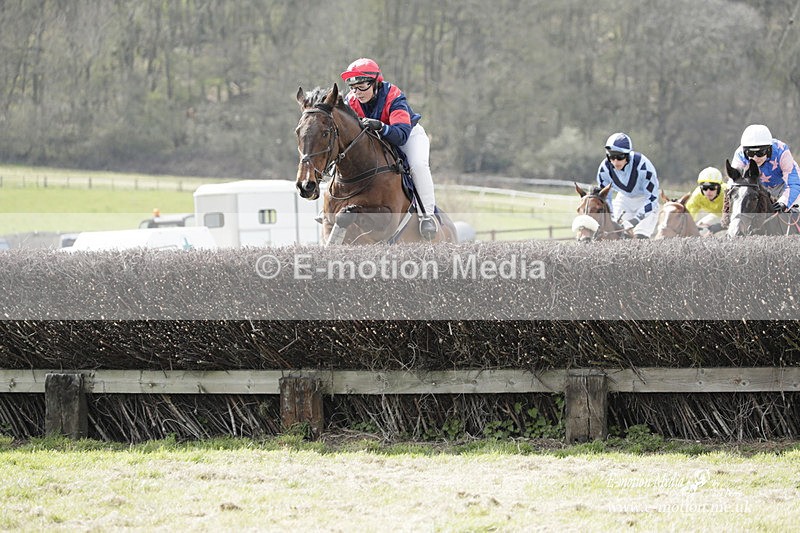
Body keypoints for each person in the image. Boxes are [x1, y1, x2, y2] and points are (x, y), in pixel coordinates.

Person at [340, 58, 438, 240]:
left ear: (375, 83)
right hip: (378, 139)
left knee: (417, 165)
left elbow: (400, 135)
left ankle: (427, 216)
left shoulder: (393, 95)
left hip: (408, 136)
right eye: (353, 87)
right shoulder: (351, 101)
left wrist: (380, 126)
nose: (357, 93)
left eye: (362, 86)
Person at [595, 132, 660, 239]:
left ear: (627, 155)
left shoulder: (644, 167)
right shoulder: (604, 169)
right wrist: (611, 217)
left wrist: (635, 220)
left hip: (645, 200)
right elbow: (605, 198)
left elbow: (652, 198)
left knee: (640, 237)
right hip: (624, 199)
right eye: (611, 156)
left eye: (620, 157)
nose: (615, 161)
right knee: (618, 235)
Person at [731, 124, 800, 212]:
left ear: (769, 150)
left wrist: (784, 203)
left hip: (785, 186)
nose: (755, 158)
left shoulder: (781, 151)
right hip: (759, 189)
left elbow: (794, 183)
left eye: (760, 153)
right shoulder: (740, 155)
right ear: (744, 152)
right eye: (750, 154)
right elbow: (734, 184)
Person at [685, 166, 726, 235]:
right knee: (699, 232)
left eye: (712, 187)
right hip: (716, 216)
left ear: (719, 187)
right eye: (705, 188)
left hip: (735, 218)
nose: (708, 191)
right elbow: (689, 215)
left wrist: (721, 226)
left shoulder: (728, 192)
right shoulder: (697, 195)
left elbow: (740, 217)